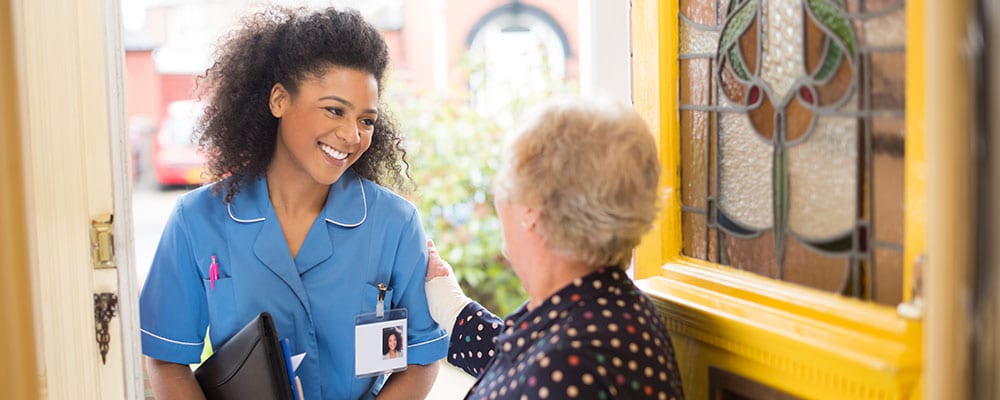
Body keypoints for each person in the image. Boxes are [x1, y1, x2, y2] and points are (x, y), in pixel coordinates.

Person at [139, 6, 447, 400]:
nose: (352, 135)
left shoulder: (395, 224)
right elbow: (167, 359)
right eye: (334, 110)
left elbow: (422, 357)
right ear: (279, 100)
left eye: (366, 120)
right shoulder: (198, 220)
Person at [424, 97, 686, 399]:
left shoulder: (567, 369)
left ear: (532, 209)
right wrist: (456, 313)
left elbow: (542, 372)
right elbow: (523, 357)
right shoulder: (608, 307)